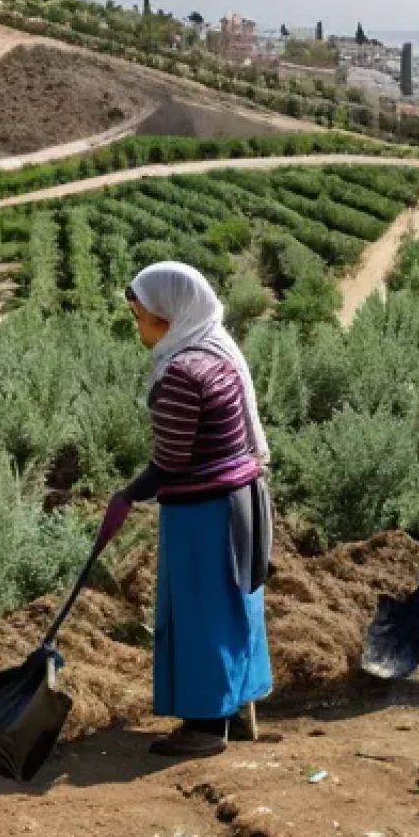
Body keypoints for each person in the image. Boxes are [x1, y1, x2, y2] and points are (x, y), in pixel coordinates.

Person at [110, 262, 273, 758]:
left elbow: (172, 459)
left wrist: (127, 494)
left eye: (141, 316)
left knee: (202, 615)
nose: (137, 325)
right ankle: (236, 711)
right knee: (234, 606)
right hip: (240, 501)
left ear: (169, 314)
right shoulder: (215, 350)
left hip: (206, 514)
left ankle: (205, 728)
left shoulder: (183, 372)